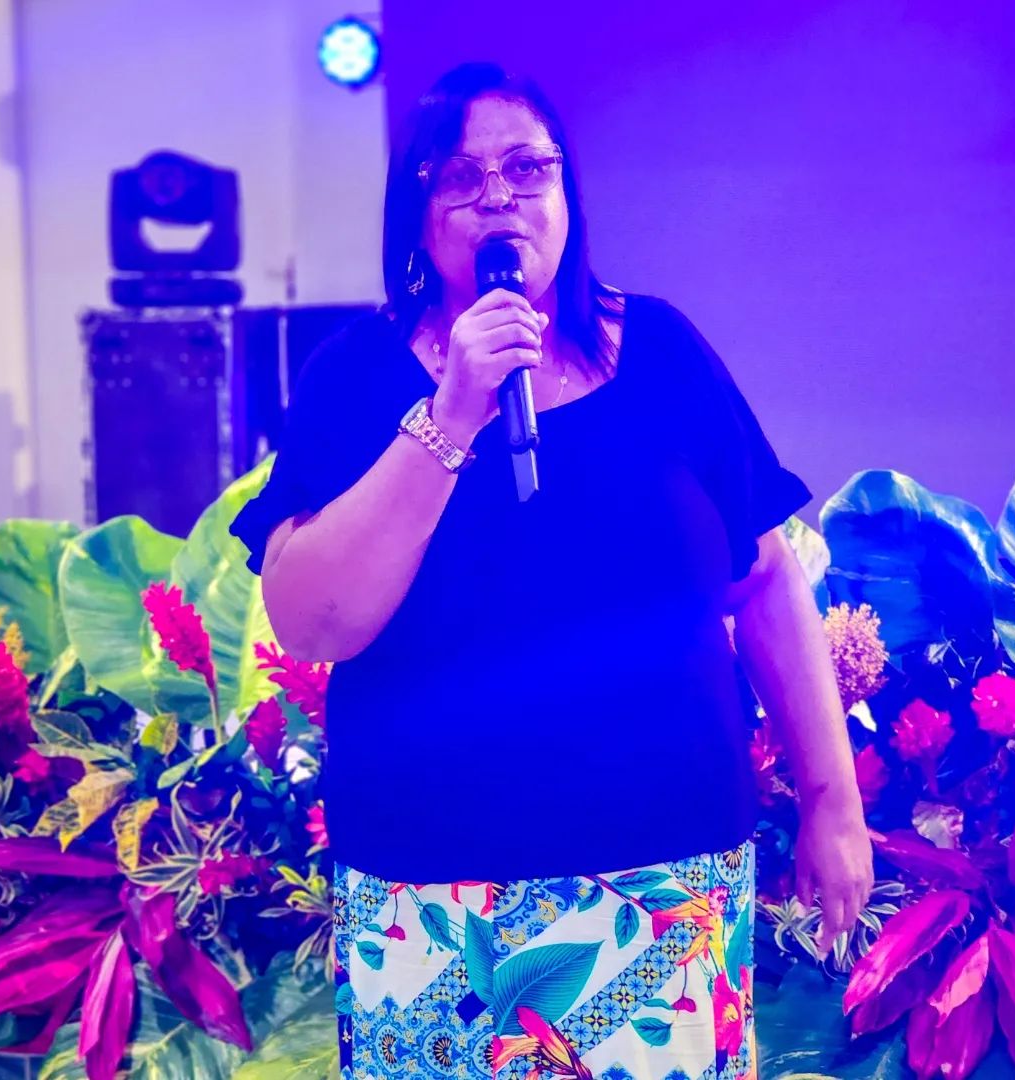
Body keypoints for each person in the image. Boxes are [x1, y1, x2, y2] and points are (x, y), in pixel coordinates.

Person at [230, 61, 872, 1080]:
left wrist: (832, 801)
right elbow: (312, 622)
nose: (499, 197)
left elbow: (764, 577)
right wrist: (451, 414)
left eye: (527, 168)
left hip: (666, 884)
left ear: (566, 191)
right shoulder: (354, 376)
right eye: (461, 177)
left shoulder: (662, 352)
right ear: (419, 215)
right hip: (430, 898)